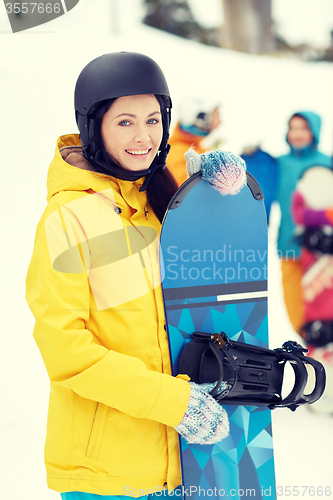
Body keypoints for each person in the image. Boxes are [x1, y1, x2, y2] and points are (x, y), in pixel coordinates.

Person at [25, 52, 229, 499]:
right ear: (93, 125)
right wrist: (174, 403)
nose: (144, 136)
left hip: (180, 467)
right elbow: (66, 351)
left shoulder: (158, 201)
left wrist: (212, 198)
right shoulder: (68, 216)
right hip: (105, 475)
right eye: (125, 122)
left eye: (154, 120)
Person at [275, 111, 331, 334]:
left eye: (303, 128)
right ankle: (307, 339)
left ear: (315, 132)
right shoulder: (279, 164)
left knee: (322, 300)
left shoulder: (327, 162)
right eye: (293, 128)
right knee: (293, 302)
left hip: (322, 248)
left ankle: (324, 338)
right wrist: (253, 159)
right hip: (288, 246)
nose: (297, 134)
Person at [166, 98, 222, 187]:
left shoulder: (199, 147)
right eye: (216, 116)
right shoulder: (178, 151)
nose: (220, 121)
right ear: (202, 119)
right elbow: (183, 189)